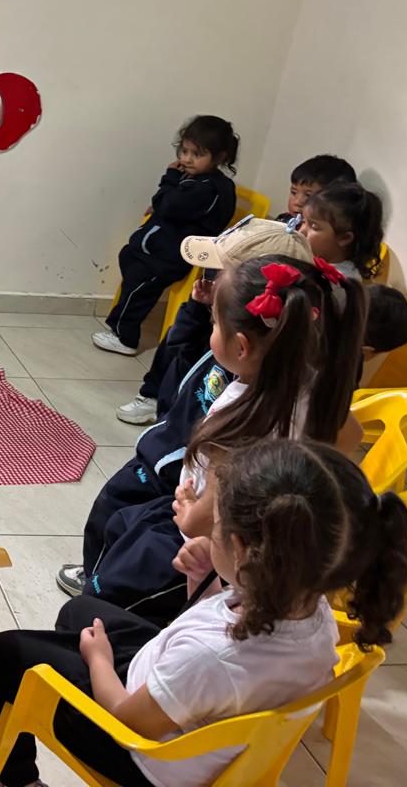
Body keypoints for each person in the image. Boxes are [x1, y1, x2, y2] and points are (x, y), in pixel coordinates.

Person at [0, 437, 407, 787]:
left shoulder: (214, 657)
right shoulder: (312, 614)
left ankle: (19, 779)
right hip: (187, 702)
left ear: (241, 549)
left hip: (144, 755)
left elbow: (128, 720)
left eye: (216, 525)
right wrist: (208, 582)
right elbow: (227, 654)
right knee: (80, 611)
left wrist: (99, 660)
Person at [67, 254, 367, 627]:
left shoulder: (243, 417)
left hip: (199, 549)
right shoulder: (320, 392)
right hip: (265, 544)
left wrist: (188, 507)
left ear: (240, 346)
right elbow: (349, 439)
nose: (212, 332)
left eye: (214, 323)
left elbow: (198, 523)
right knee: (120, 522)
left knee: (102, 608)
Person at [116, 155, 356, 426]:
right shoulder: (281, 229)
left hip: (217, 377)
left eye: (312, 220)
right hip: (207, 357)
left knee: (192, 361)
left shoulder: (245, 363)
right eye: (294, 192)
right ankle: (153, 396)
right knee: (179, 339)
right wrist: (200, 307)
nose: (298, 204)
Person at [95, 116, 239, 356]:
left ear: (220, 157)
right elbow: (169, 204)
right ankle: (123, 318)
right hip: (157, 249)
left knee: (139, 282)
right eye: (184, 151)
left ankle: (125, 337)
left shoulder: (210, 187)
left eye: (197, 154)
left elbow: (170, 205)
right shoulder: (196, 179)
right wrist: (161, 203)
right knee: (129, 261)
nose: (187, 159)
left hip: (170, 257)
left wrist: (169, 180)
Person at [298, 180, 386, 281]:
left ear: (344, 238)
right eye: (303, 221)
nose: (301, 231)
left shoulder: (340, 283)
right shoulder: (312, 260)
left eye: (313, 226)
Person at [278, 153, 357, 224]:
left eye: (309, 196)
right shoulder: (283, 220)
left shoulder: (326, 235)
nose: (297, 202)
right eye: (294, 192)